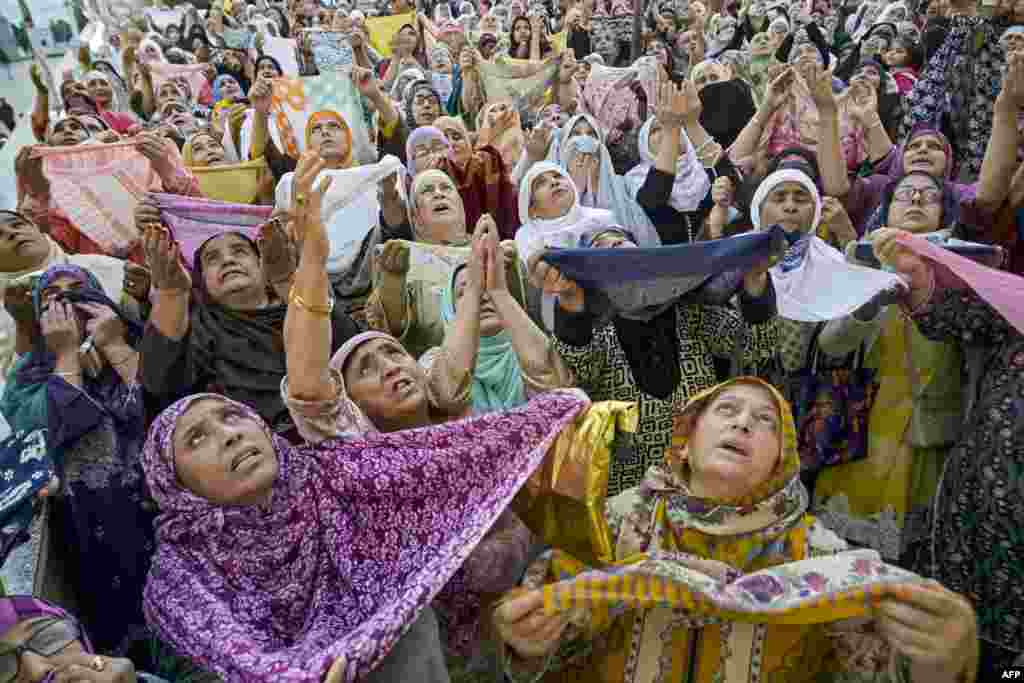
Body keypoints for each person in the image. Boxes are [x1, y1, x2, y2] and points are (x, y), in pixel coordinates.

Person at [493, 376, 980, 683]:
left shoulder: (818, 554)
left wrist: (939, 663)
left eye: (765, 421)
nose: (743, 423)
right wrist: (527, 638)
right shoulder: (614, 524)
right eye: (726, 411)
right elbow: (548, 640)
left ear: (780, 461)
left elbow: (866, 669)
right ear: (685, 443)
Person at [530, 226, 779, 495]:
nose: (619, 252)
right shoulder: (595, 328)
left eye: (626, 247)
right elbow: (576, 373)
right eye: (606, 251)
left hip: (696, 477)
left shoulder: (690, 312)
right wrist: (570, 301)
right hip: (629, 493)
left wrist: (755, 278)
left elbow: (757, 344)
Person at [0, 264, 153, 655]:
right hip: (87, 528)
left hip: (159, 511)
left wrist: (116, 344)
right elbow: (50, 428)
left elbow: (158, 409)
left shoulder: (136, 339)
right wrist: (66, 355)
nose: (68, 299)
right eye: (54, 296)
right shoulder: (27, 375)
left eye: (78, 288)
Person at [137, 196, 361, 440]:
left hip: (345, 434)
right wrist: (172, 294)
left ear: (262, 265)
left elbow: (353, 356)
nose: (228, 260)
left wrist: (287, 281)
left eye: (240, 251)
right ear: (203, 282)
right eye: (212, 258)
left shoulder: (302, 303)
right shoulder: (199, 328)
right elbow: (161, 391)